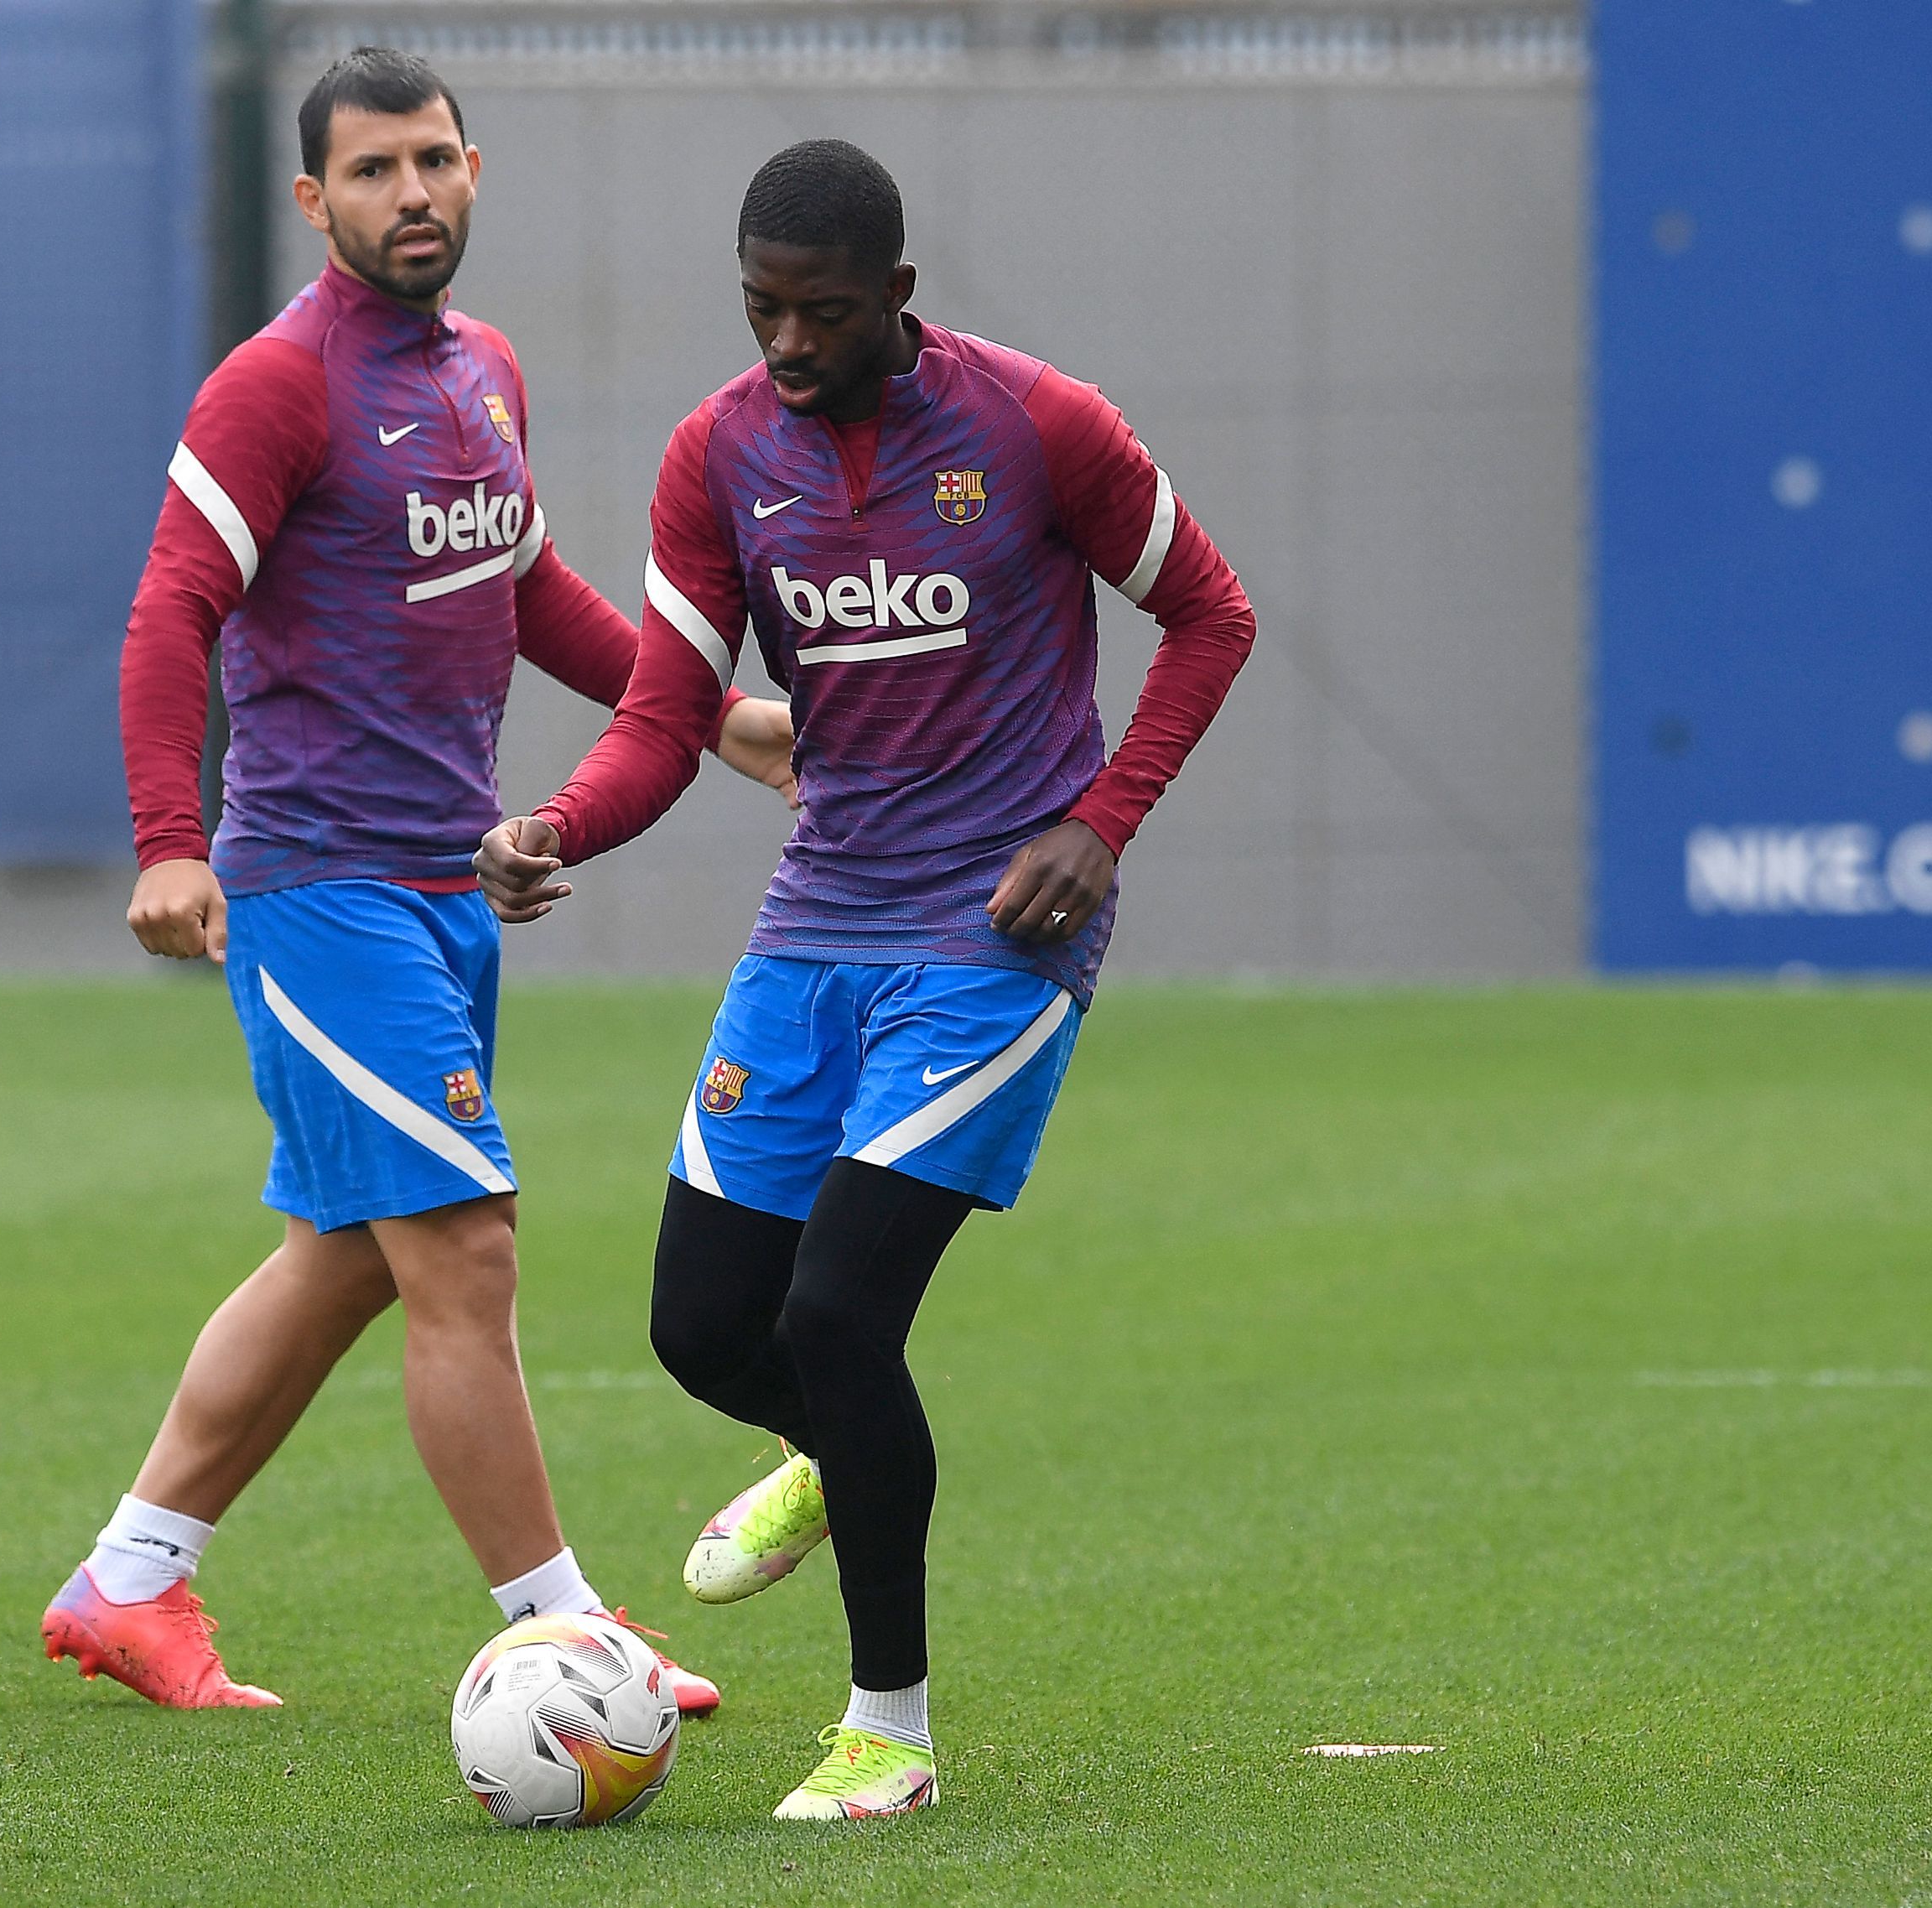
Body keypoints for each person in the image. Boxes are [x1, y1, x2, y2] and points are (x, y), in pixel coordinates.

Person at [475, 138, 1255, 1817]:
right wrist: (556, 826)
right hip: (815, 922)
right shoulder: (717, 452)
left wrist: (1100, 822)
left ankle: (887, 1733)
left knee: (836, 1313)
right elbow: (667, 717)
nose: (786, 343)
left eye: (820, 312)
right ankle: (836, 1448)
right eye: (760, 308)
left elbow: (1212, 615)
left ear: (897, 295)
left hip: (994, 938)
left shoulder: (1038, 424)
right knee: (702, 1327)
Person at [42, 47, 796, 1714]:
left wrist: (713, 713)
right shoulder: (277, 385)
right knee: (463, 1247)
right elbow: (171, 609)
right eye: (374, 171)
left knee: (346, 1250)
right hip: (321, 891)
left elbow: (524, 586)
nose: (412, 194)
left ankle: (128, 1581)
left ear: (473, 170)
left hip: (445, 894)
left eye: (435, 160)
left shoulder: (483, 370)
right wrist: (168, 837)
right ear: (312, 200)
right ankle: (570, 1631)